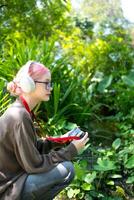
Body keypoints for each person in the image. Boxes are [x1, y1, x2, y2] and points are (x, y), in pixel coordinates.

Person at [0, 61, 89, 200]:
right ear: (29, 84)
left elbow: (31, 149)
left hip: (14, 180)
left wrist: (59, 141)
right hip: (9, 190)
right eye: (46, 83)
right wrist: (71, 150)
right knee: (67, 169)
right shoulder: (20, 116)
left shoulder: (20, 110)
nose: (50, 88)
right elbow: (33, 165)